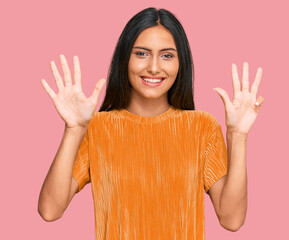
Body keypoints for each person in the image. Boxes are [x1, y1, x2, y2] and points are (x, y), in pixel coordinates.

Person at [38, 7, 264, 240]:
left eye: (167, 55)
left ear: (180, 63)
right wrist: (74, 130)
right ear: (125, 58)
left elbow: (232, 219)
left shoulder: (202, 128)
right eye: (142, 54)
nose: (154, 67)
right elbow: (50, 210)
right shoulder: (96, 128)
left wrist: (237, 135)